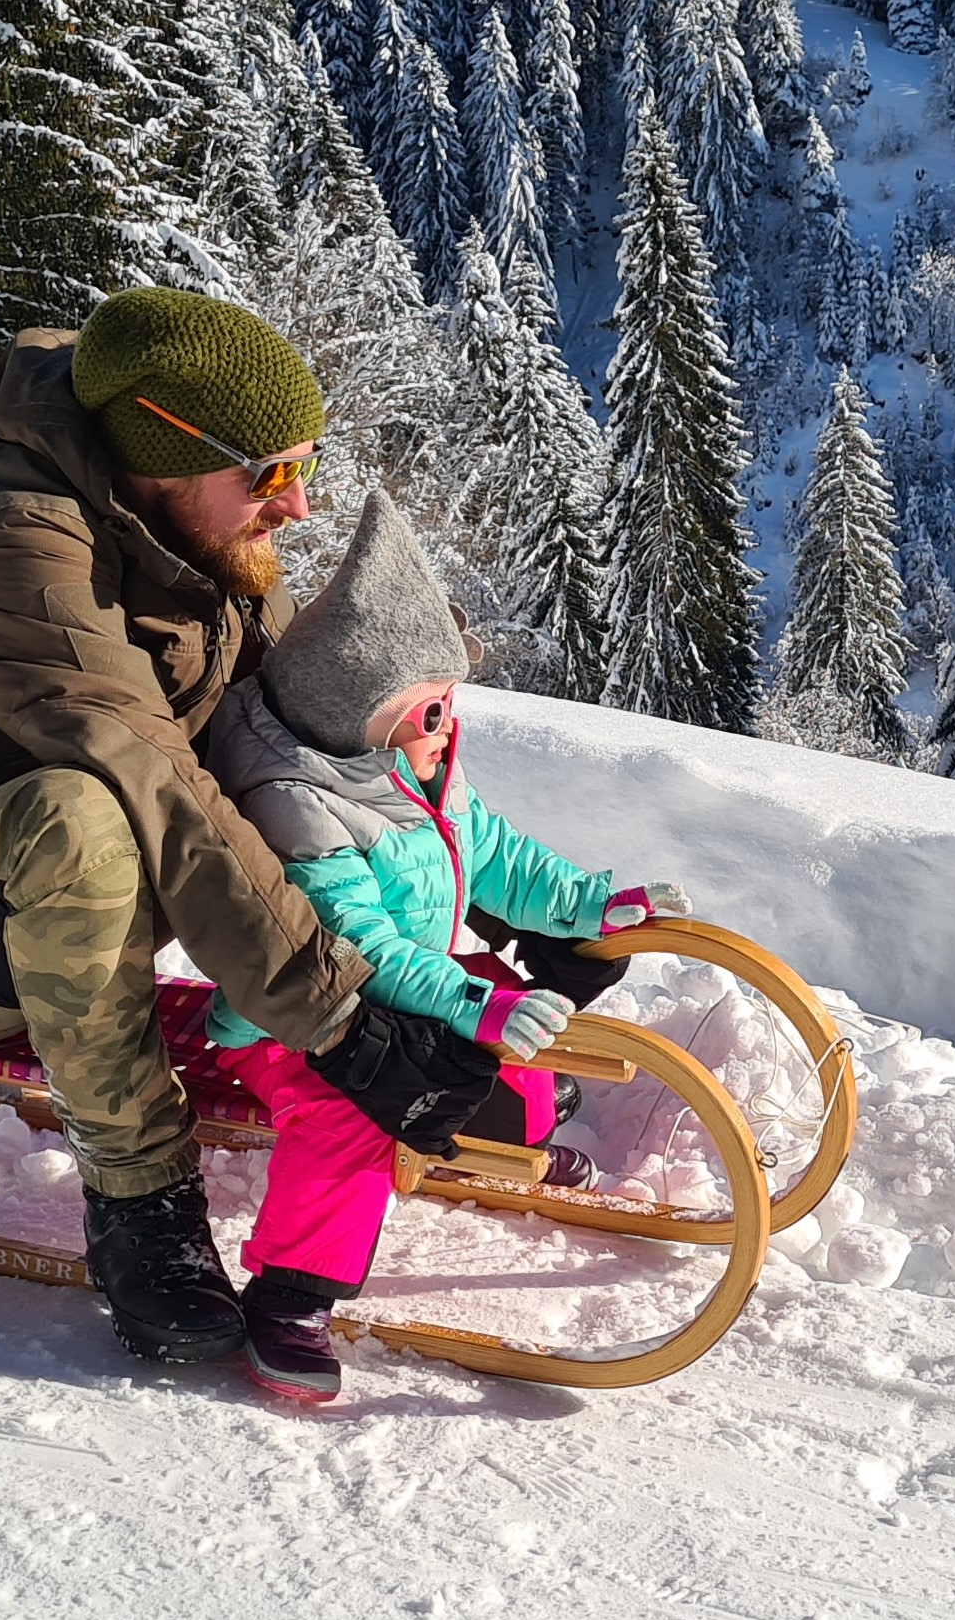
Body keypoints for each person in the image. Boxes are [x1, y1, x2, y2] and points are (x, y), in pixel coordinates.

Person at [0, 286, 501, 1366]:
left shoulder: (190, 535)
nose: (296, 507)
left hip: (26, 903)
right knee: (84, 818)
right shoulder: (10, 550)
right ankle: (140, 1198)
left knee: (149, 812)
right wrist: (337, 1019)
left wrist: (461, 899)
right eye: (271, 472)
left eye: (306, 466)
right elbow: (156, 783)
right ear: (163, 453)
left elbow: (297, 739)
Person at [178, 489, 687, 1403]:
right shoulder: (300, 811)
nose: (447, 725)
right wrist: (473, 1004)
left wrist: (586, 907)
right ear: (356, 717)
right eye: (428, 710)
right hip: (302, 1016)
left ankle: (508, 1126)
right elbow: (357, 944)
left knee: (497, 995)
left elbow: (494, 855)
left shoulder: (411, 774)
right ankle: (290, 1298)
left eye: (449, 702)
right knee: (350, 1118)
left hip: (395, 987)